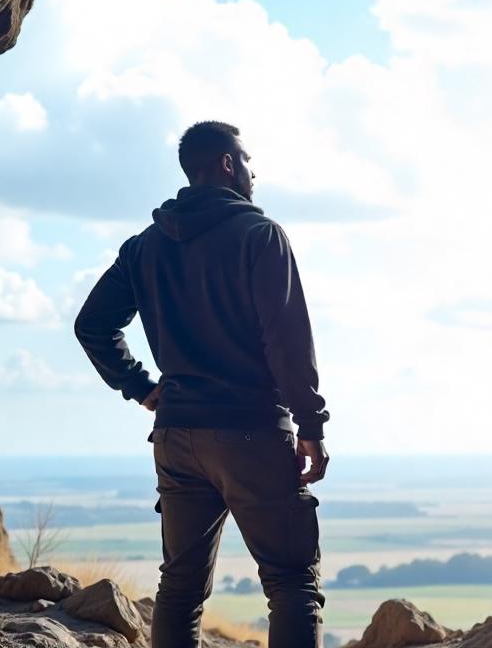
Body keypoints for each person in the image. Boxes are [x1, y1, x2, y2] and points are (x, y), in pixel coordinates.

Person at [74, 121, 330, 648]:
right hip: (252, 432)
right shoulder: (261, 236)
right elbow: (287, 343)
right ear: (228, 164)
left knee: (181, 588)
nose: (254, 170)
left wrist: (142, 388)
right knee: (292, 583)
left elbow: (92, 324)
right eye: (248, 158)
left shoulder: (144, 246)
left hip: (176, 438)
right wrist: (310, 425)